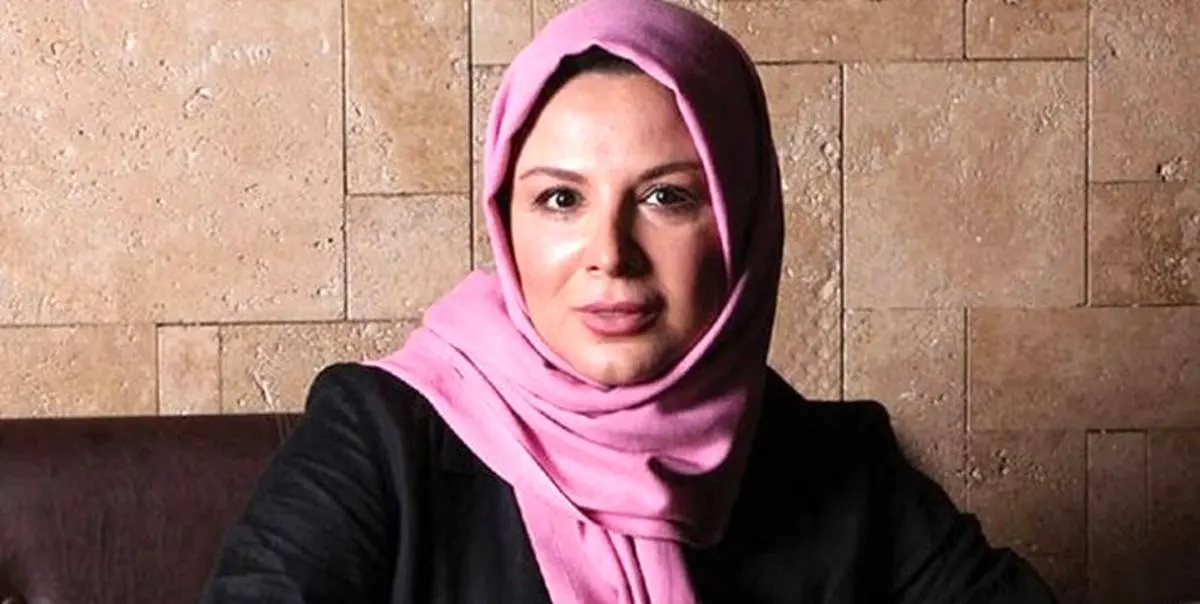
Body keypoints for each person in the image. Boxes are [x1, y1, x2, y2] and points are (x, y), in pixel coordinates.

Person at [199, 0, 1059, 602]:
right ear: (506, 221)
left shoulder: (835, 467)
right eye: (560, 199)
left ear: (742, 224)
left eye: (665, 197)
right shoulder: (381, 435)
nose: (609, 254)